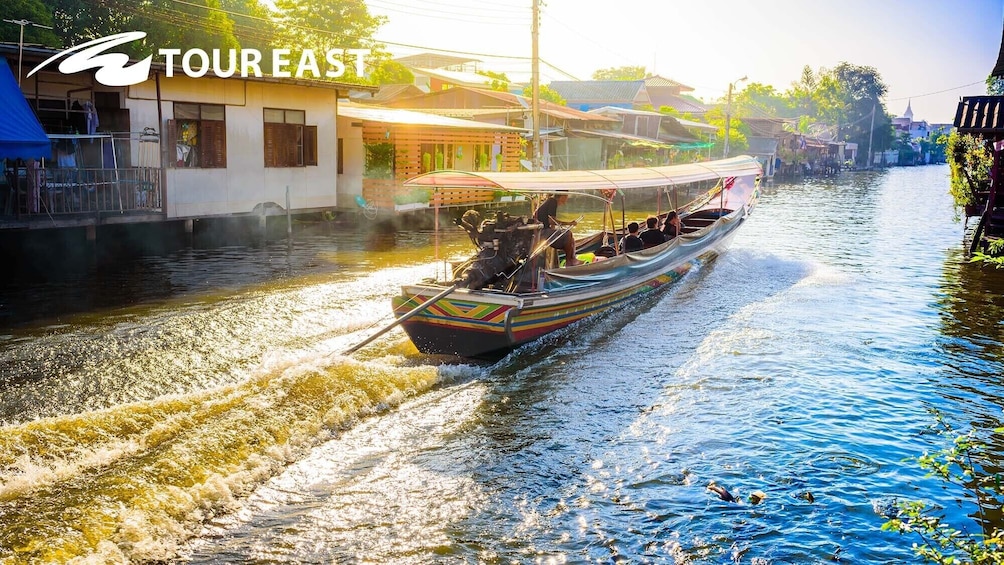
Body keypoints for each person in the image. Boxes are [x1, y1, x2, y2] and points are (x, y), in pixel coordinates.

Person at [534, 193, 582, 266]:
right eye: (566, 197)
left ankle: (572, 259)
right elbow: (552, 221)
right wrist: (569, 223)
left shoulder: (551, 201)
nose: (566, 199)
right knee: (568, 234)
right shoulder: (553, 202)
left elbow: (551, 222)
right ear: (562, 196)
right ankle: (569, 261)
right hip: (541, 232)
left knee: (569, 236)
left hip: (544, 229)